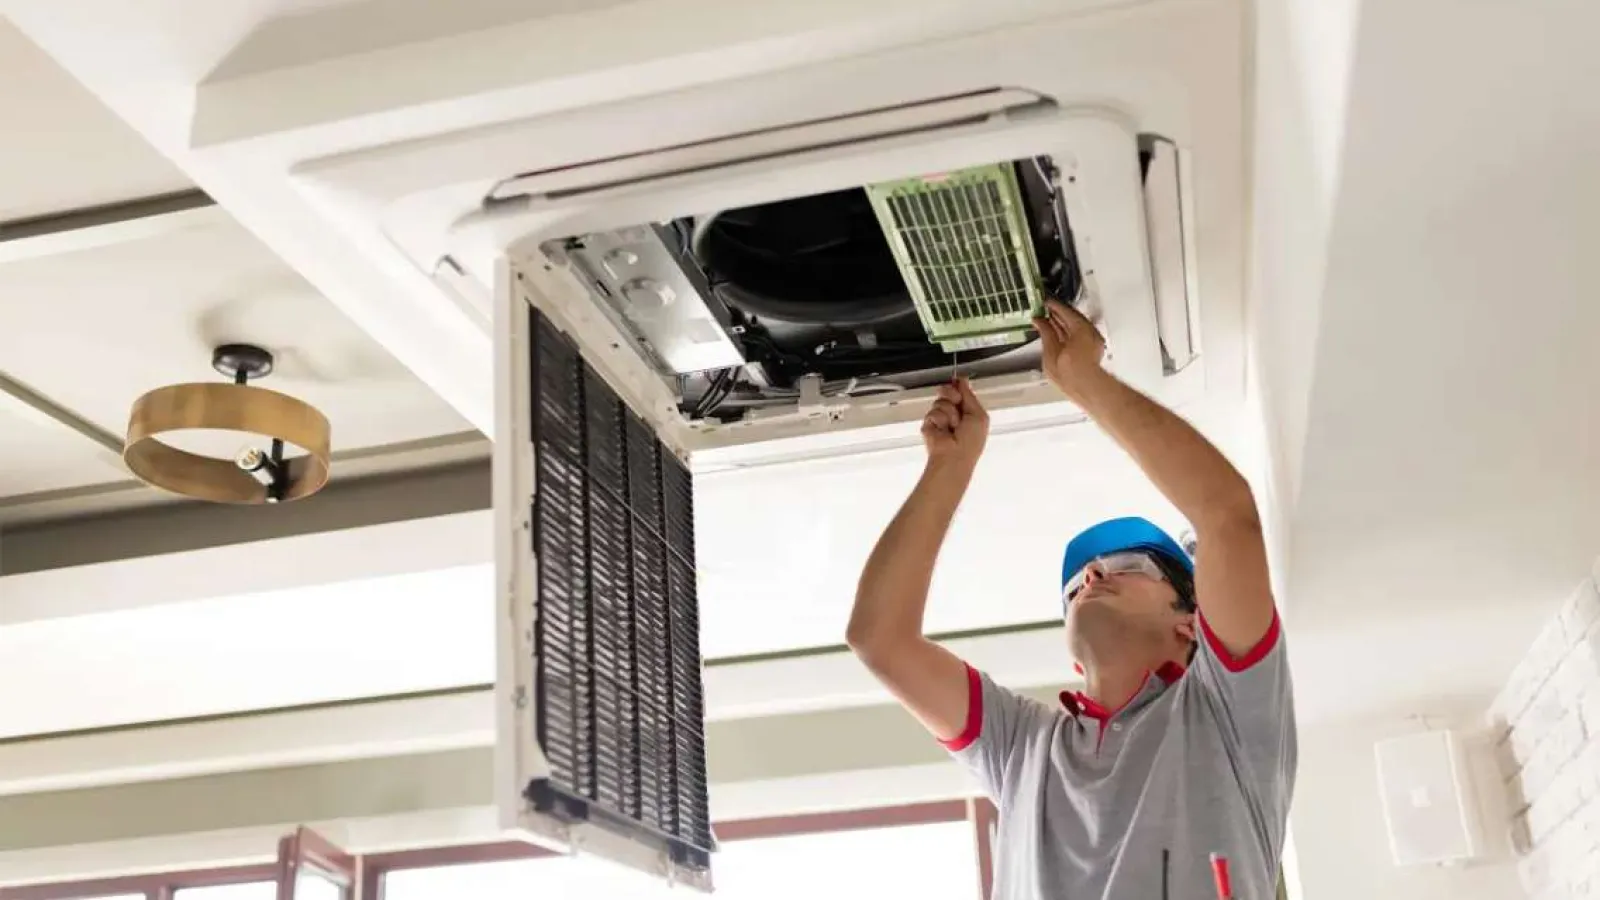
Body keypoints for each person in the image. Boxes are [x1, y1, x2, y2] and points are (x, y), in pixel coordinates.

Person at [846, 300, 1295, 900]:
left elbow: (1227, 518)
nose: (1091, 575)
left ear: (1192, 624)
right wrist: (947, 466)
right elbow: (880, 638)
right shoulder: (1026, 749)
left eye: (1127, 566)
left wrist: (1084, 380)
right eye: (1079, 582)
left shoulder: (1227, 713)